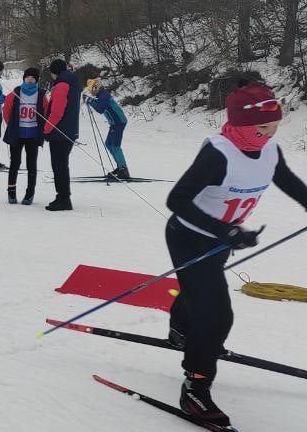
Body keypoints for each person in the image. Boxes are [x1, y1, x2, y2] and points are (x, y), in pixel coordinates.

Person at [162, 81, 307, 429]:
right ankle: (195, 387)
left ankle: (181, 328)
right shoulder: (219, 153)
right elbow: (176, 201)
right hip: (189, 239)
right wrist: (225, 231)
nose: (269, 135)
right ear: (240, 123)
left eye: (274, 127)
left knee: (199, 293)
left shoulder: (270, 151)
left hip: (222, 240)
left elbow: (286, 180)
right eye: (262, 128)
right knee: (216, 317)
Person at [2, 68, 45, 205]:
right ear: (24, 78)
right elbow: (6, 112)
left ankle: (29, 193)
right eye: (28, 77)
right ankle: (11, 191)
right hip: (17, 135)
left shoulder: (41, 95)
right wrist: (14, 126)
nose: (30, 79)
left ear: (36, 80)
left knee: (31, 164)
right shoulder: (15, 93)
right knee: (15, 163)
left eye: (33, 77)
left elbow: (45, 113)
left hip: (33, 135)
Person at [42, 59, 80, 211]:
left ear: (54, 72)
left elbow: (57, 112)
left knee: (59, 166)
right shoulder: (72, 83)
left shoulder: (61, 85)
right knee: (61, 165)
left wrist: (46, 129)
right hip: (68, 131)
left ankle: (64, 198)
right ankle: (62, 196)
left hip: (60, 133)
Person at [85, 77, 131, 180]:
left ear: (96, 88)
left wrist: (90, 101)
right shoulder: (101, 95)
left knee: (115, 146)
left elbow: (100, 108)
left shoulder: (103, 95)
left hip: (119, 122)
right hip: (114, 123)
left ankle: (123, 169)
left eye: (92, 89)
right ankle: (120, 168)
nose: (92, 92)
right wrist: (91, 100)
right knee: (109, 144)